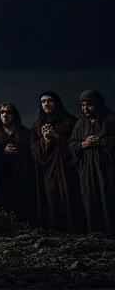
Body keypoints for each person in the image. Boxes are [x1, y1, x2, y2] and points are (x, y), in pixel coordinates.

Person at [71, 90, 115, 234]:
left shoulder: (111, 119)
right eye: (82, 105)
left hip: (107, 169)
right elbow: (72, 144)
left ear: (98, 104)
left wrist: (101, 142)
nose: (85, 109)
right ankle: (95, 235)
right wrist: (83, 144)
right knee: (91, 201)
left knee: (109, 201)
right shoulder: (80, 124)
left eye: (89, 104)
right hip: (88, 171)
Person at [0, 102, 38, 225]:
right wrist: (2, 152)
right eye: (2, 112)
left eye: (9, 112)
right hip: (3, 175)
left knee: (25, 203)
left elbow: (34, 153)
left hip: (23, 175)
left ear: (14, 115)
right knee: (6, 203)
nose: (5, 115)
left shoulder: (26, 133)